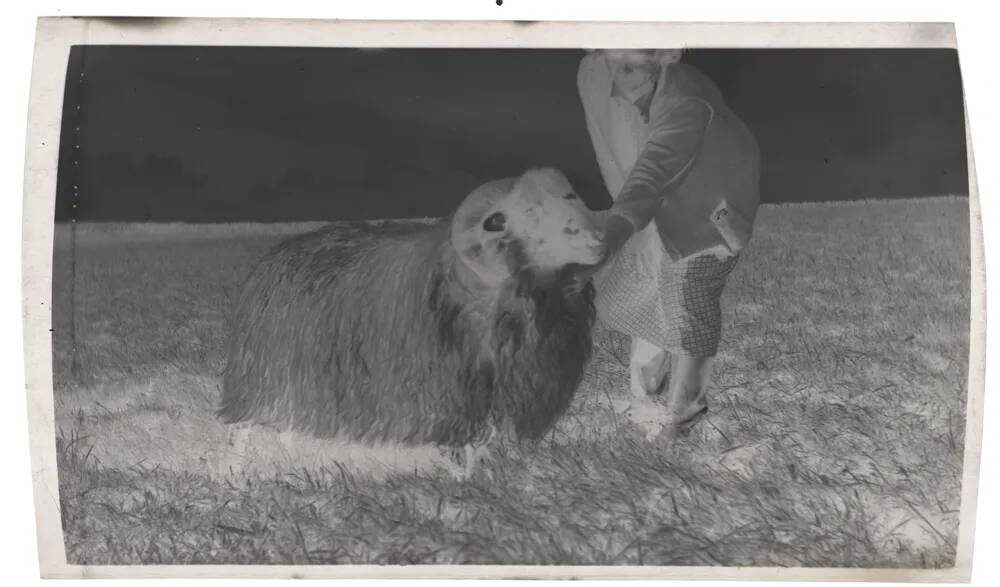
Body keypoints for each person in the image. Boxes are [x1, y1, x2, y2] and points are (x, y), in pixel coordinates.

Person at [577, 49, 761, 440]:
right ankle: (654, 390)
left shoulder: (684, 104)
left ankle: (686, 417)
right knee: (648, 298)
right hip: (686, 216)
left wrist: (612, 233)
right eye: (620, 70)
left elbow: (652, 174)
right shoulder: (654, 87)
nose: (627, 80)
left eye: (632, 67)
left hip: (710, 224)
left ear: (657, 61)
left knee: (690, 309)